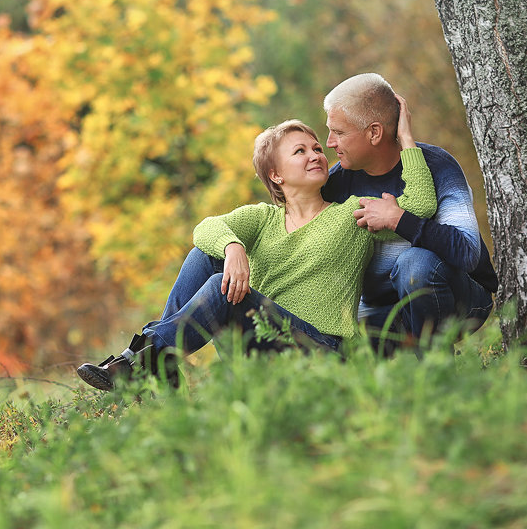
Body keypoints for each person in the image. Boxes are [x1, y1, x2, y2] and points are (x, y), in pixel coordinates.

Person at [76, 106, 436, 391]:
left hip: (320, 350)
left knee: (222, 292)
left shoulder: (352, 213)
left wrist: (405, 139)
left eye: (316, 148)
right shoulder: (262, 218)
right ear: (276, 174)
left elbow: (420, 205)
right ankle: (156, 363)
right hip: (257, 344)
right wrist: (234, 247)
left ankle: (146, 363)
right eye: (300, 151)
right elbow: (205, 229)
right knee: (207, 254)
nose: (316, 154)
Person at [322, 73, 497, 352]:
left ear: (374, 132)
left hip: (457, 301)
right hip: (380, 312)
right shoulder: (336, 182)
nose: (330, 142)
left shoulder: (438, 166)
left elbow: (467, 252)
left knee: (414, 264)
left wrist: (398, 219)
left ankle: (434, 371)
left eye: (339, 132)